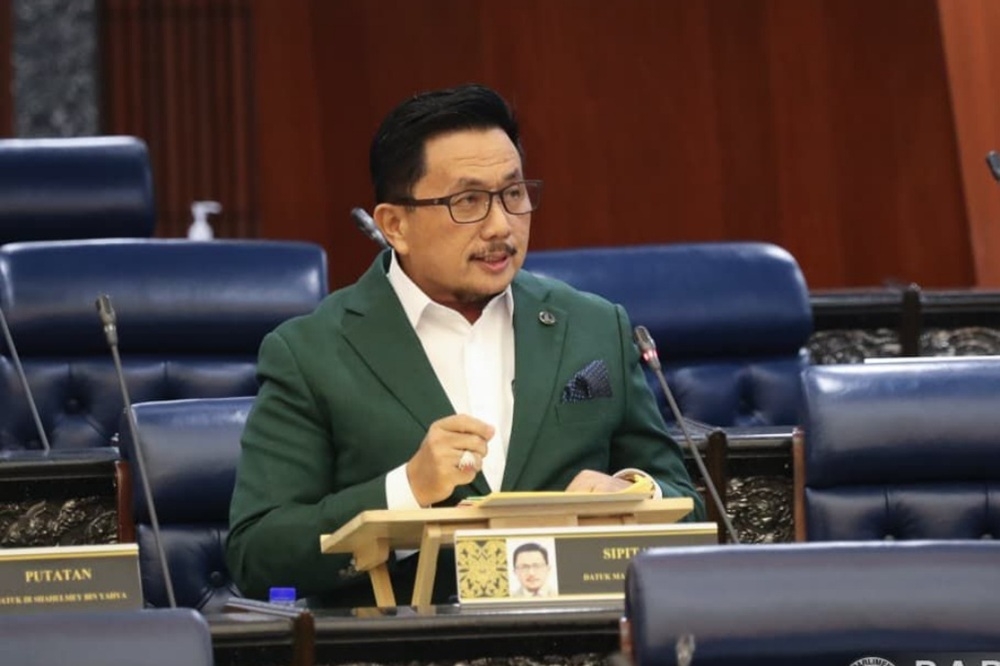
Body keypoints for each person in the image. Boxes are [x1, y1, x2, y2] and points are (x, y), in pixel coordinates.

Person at [226, 83, 705, 608]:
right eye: (468, 202)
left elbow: (688, 505)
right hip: (406, 640)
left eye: (514, 194)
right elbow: (258, 552)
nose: (501, 226)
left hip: (580, 633)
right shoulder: (310, 352)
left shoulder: (594, 326)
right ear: (394, 225)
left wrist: (634, 493)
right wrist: (406, 490)